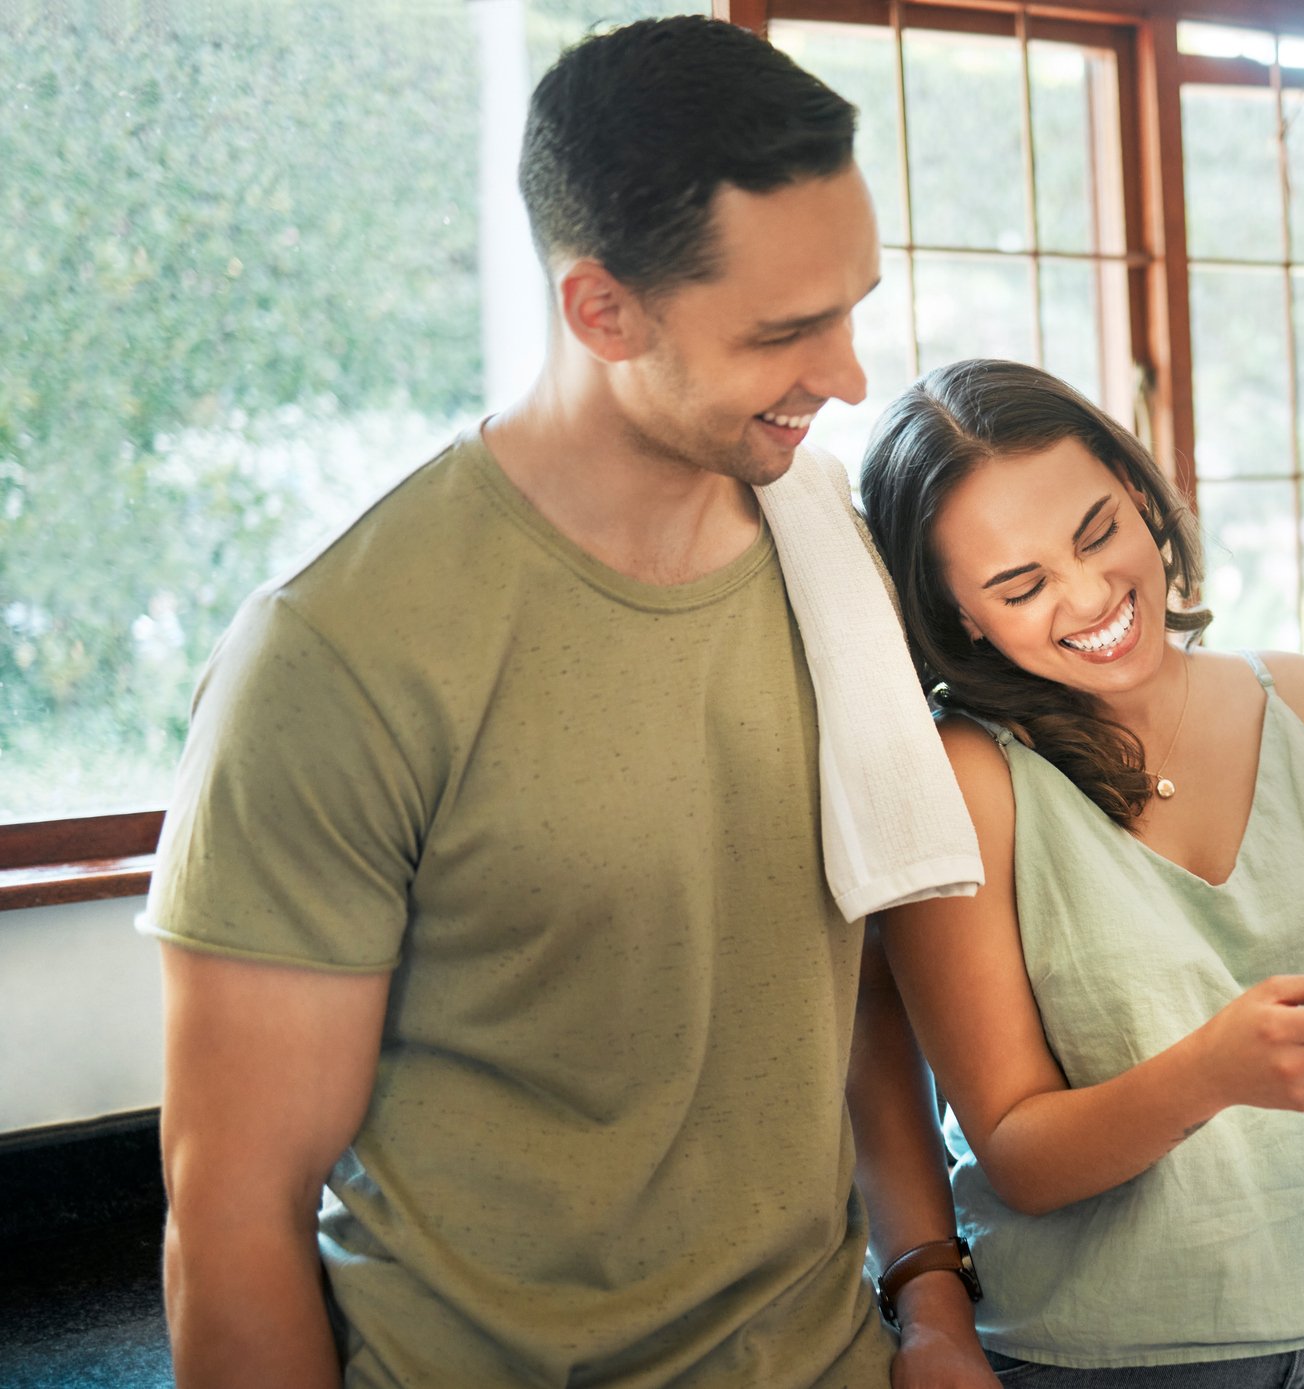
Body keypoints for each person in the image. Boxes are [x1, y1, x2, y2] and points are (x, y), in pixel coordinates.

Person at [143, 19, 996, 1388]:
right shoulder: (335, 657)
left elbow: (852, 992)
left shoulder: (837, 556)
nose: (846, 376)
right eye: (784, 330)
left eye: (853, 306)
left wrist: (931, 1302)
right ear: (602, 310)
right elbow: (232, 1215)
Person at [856, 359, 1304, 1386]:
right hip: (1107, 1361)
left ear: (1141, 495)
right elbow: (1016, 1152)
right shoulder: (969, 778)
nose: (1091, 595)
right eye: (1021, 585)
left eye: (1097, 533)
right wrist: (1211, 1074)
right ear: (961, 616)